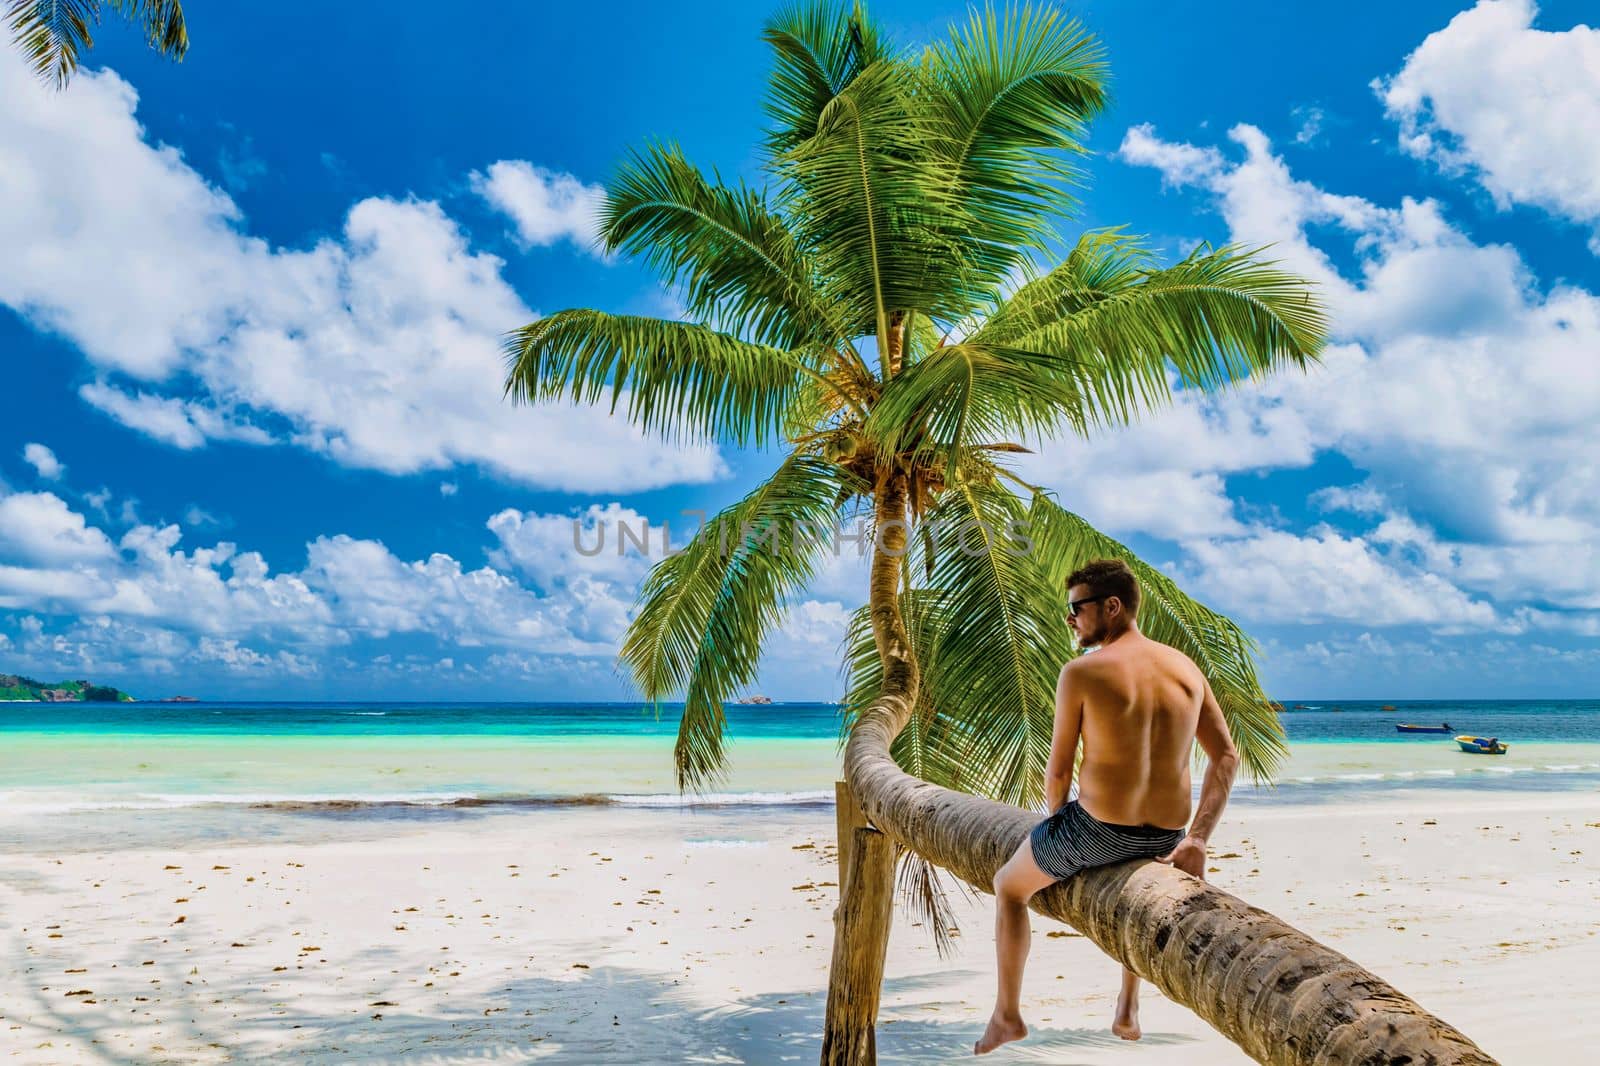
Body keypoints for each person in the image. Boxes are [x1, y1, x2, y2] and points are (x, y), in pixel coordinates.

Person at [974, 559, 1241, 1054]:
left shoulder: (1082, 672)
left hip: (1095, 831)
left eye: (1076, 608)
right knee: (1134, 888)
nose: (1070, 620)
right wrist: (1198, 838)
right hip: (1165, 836)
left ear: (1111, 607)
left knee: (1008, 887)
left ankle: (1007, 1015)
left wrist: (1055, 823)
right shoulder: (1185, 668)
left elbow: (1057, 769)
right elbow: (1226, 754)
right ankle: (1127, 1004)